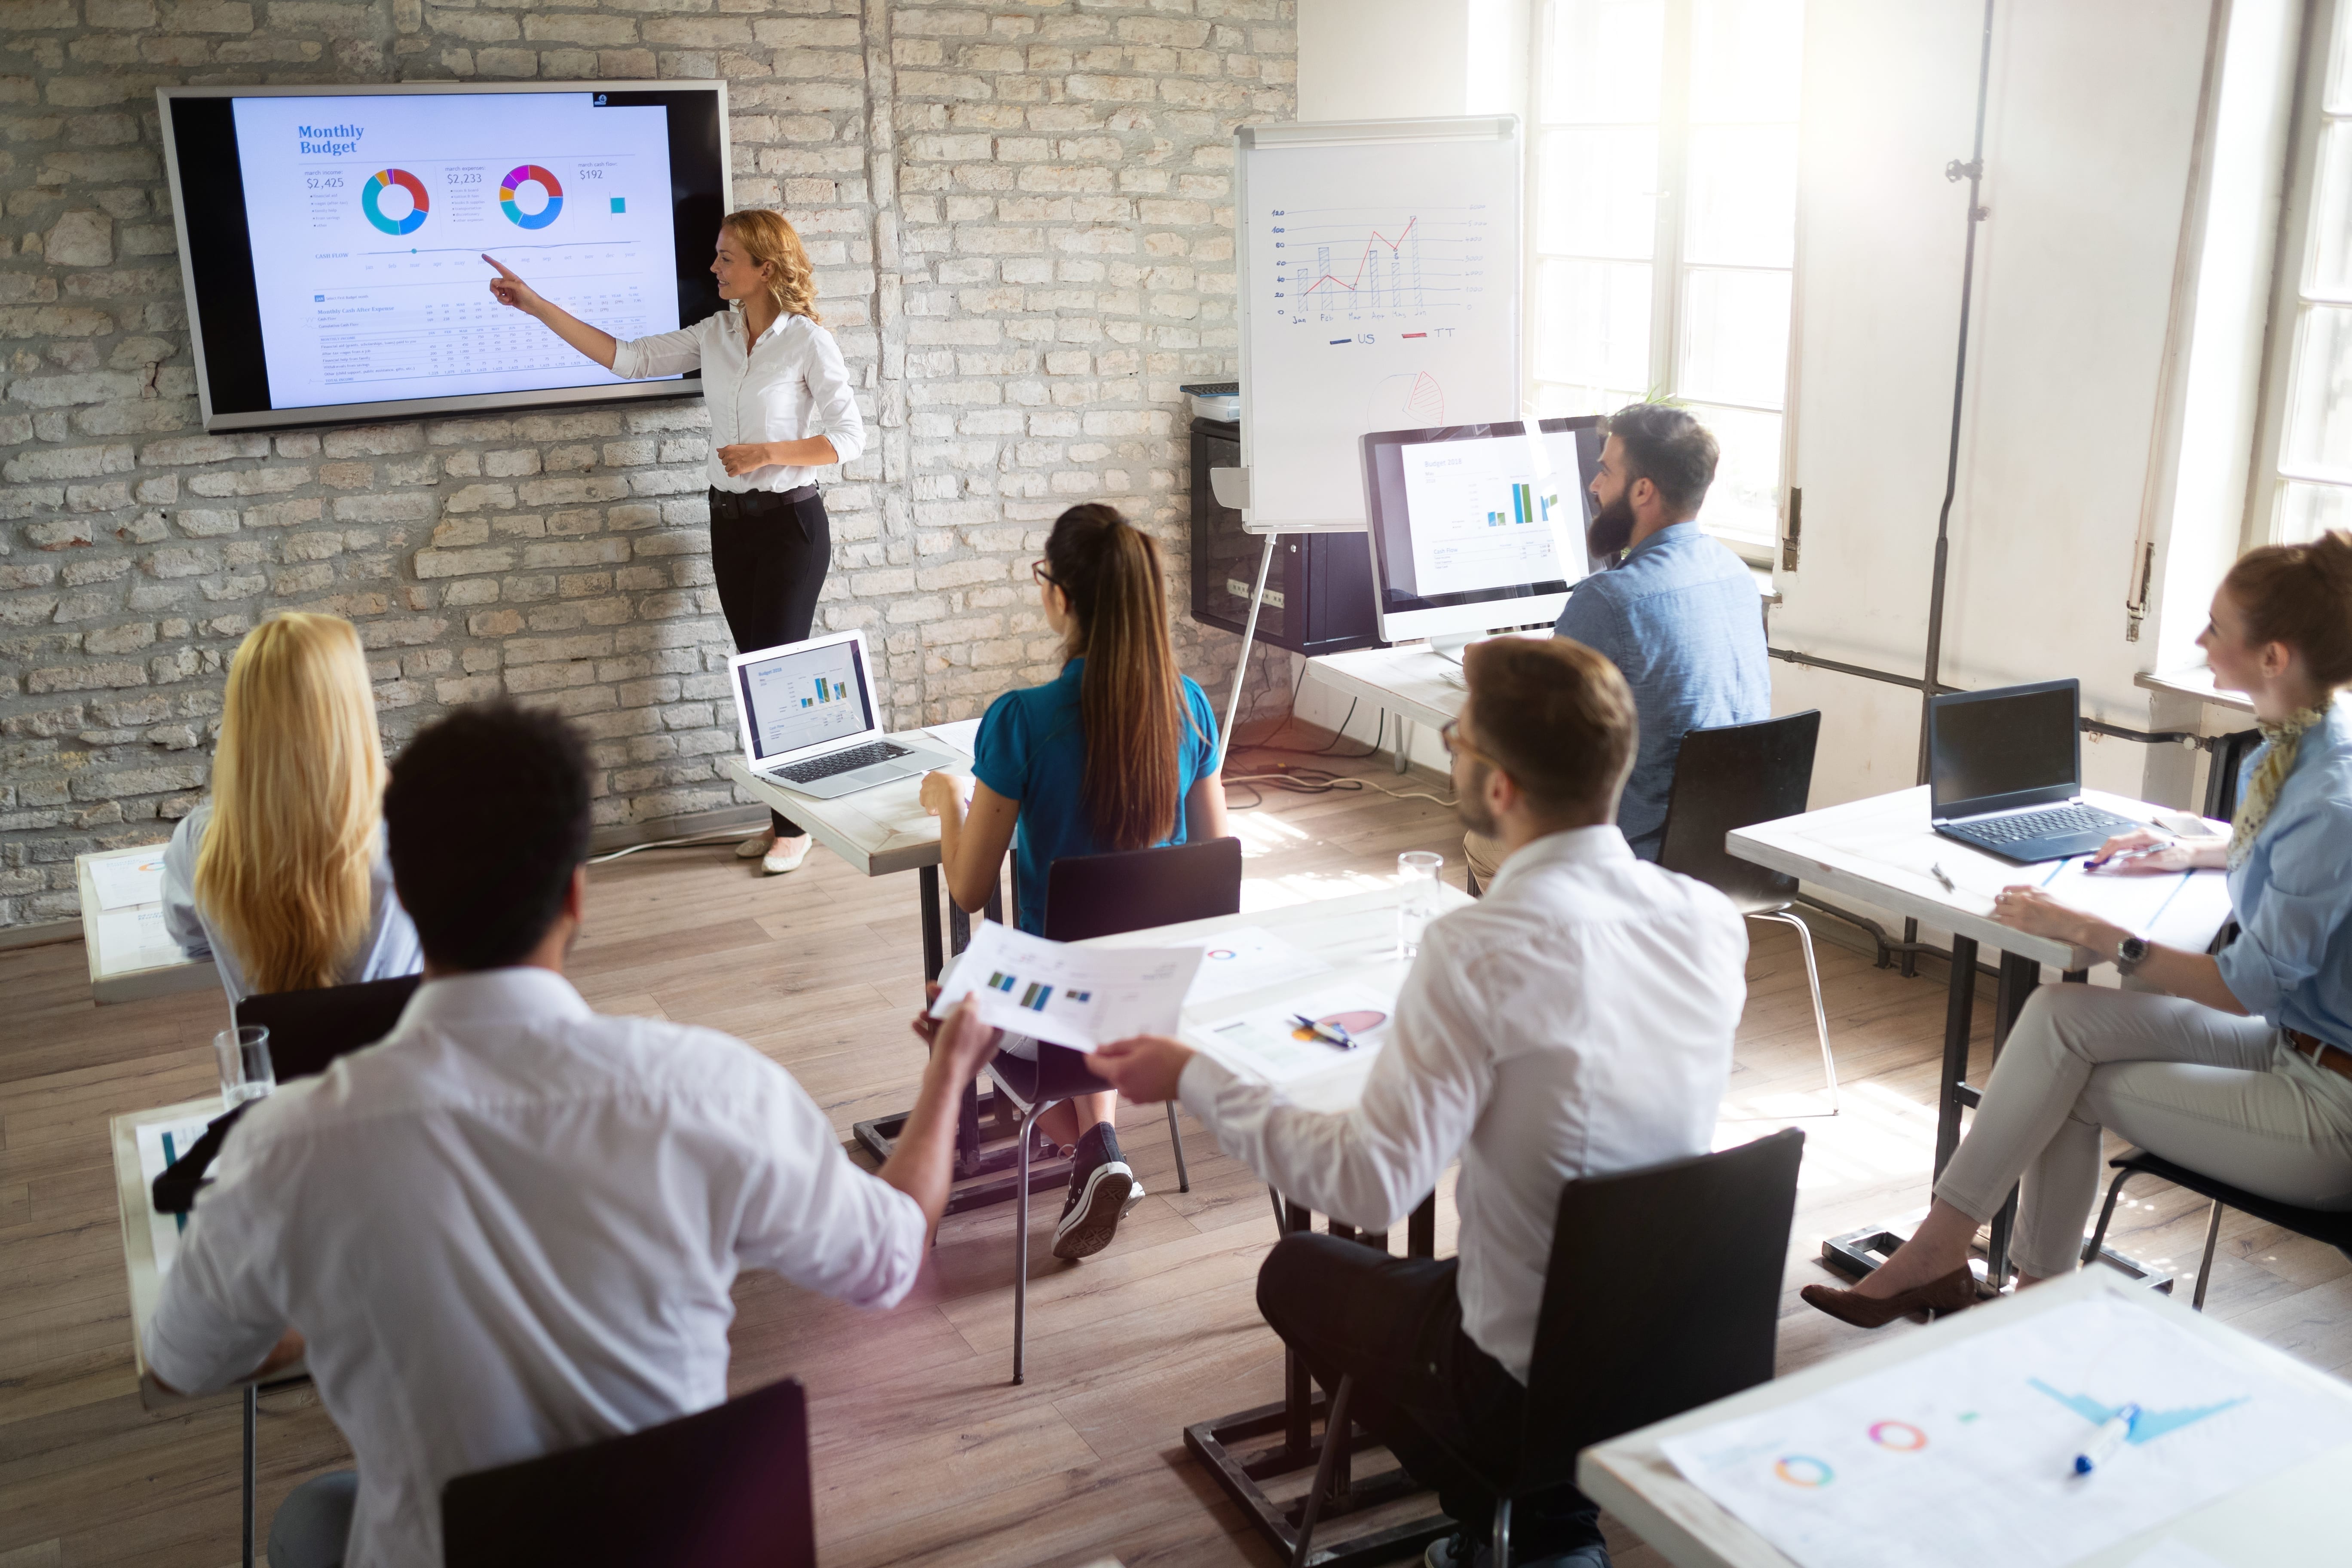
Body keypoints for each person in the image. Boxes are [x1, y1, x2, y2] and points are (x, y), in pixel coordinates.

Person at [141, 702, 1002, 1568]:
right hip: (679, 1546)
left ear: (400, 891)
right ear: (576, 892)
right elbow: (893, 1257)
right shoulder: (714, 1090)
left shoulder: (288, 1147)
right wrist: (950, 1069)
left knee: (310, 1521)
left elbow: (181, 1362)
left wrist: (317, 1307)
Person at [1091, 637, 1750, 1568]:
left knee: (1300, 1271)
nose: (1450, 747)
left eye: (1459, 737)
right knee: (1440, 1280)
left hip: (1523, 1363)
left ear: (1500, 788)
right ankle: (1540, 1517)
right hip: (1676, 1333)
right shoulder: (1709, 920)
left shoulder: (1477, 947)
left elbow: (1370, 1185)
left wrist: (1193, 1074)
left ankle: (1521, 1522)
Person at [1804, 533, 2352, 1329]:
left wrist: (2096, 934)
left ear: (2271, 655)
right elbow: (2277, 858)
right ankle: (1962, 1262)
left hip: (2327, 1106)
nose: (2199, 645)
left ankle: (2011, 1294)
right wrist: (2188, 848)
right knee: (2055, 1019)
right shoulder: (2302, 746)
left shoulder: (2325, 798)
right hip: (2294, 1043)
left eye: (2213, 628)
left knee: (2060, 1082)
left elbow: (2242, 989)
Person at [485, 208, 864, 877]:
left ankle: (796, 828)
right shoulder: (715, 335)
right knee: (753, 669)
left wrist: (767, 452)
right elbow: (628, 359)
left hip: (790, 529)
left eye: (726, 259)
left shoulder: (807, 341)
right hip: (728, 524)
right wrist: (538, 306)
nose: (714, 268)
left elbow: (849, 438)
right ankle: (783, 816)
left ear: (764, 270)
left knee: (775, 671)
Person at [919, 502, 1230, 1262]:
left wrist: (947, 802)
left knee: (941, 1003)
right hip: (1161, 994)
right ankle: (1099, 1149)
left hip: (1058, 999)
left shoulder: (1020, 722)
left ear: (1057, 594)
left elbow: (966, 888)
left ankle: (1094, 1144)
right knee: (1094, 985)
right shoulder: (1189, 706)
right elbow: (1215, 862)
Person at [1464, 403, 1768, 886]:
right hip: (1731, 851)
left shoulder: (1608, 600)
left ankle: (1541, 953)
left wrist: (1492, 669)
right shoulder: (1736, 575)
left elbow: (1534, 740)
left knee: (1486, 836)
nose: (1593, 486)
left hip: (1631, 856)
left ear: (1643, 490)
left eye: (1605, 471)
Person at [162, 612, 421, 1008]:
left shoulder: (199, 840)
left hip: (272, 1069)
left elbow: (191, 941)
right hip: (396, 1065)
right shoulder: (415, 831)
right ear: (352, 710)